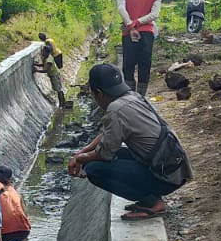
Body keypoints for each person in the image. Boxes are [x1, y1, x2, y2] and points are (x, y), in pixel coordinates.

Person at [68, 63, 192, 220]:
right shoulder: (133, 97)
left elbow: (105, 154)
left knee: (94, 169)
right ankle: (149, 197)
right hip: (174, 167)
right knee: (113, 154)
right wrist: (83, 151)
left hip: (166, 177)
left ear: (99, 93)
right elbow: (108, 134)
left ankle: (153, 202)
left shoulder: (115, 110)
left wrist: (79, 159)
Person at [116, 0, 163, 95]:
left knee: (128, 66)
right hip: (147, 32)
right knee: (144, 65)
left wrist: (131, 25)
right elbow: (154, 15)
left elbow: (121, 8)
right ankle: (142, 97)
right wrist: (138, 23)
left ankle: (130, 97)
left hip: (128, 32)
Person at [0, 165, 30, 241]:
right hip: (24, 231)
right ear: (9, 179)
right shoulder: (14, 191)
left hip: (5, 232)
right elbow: (24, 212)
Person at [33, 32, 67, 108]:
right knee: (58, 89)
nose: (42, 53)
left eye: (43, 51)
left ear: (47, 52)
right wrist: (36, 65)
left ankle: (62, 104)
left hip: (55, 75)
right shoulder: (47, 57)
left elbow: (45, 69)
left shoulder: (49, 59)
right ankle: (62, 103)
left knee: (59, 90)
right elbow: (43, 65)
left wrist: (36, 70)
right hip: (53, 74)